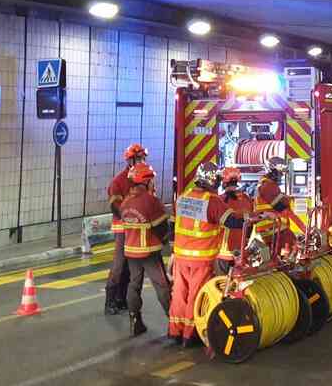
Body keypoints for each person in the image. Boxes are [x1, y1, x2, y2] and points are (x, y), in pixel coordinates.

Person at [169, 162, 249, 346]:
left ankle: (175, 332)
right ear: (214, 180)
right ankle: (191, 335)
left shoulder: (183, 197)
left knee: (180, 293)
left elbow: (172, 225)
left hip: (181, 255)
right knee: (197, 295)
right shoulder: (212, 201)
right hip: (201, 258)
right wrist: (249, 216)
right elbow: (232, 222)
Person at [117, 161, 172, 337]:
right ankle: (174, 322)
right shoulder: (150, 200)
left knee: (134, 285)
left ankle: (135, 322)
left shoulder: (125, 202)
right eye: (152, 180)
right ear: (146, 181)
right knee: (162, 286)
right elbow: (161, 227)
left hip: (131, 252)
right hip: (149, 251)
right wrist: (166, 241)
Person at [104, 143, 146, 315]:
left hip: (136, 229)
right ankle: (110, 301)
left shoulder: (144, 178)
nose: (140, 161)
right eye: (137, 158)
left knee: (130, 266)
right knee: (119, 265)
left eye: (142, 158)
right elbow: (114, 206)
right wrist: (128, 216)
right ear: (129, 160)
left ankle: (121, 299)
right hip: (123, 229)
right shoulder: (119, 181)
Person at [215, 167, 254, 276]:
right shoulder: (247, 199)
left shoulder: (220, 200)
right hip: (241, 249)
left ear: (224, 182)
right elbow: (250, 223)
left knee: (222, 283)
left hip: (224, 251)